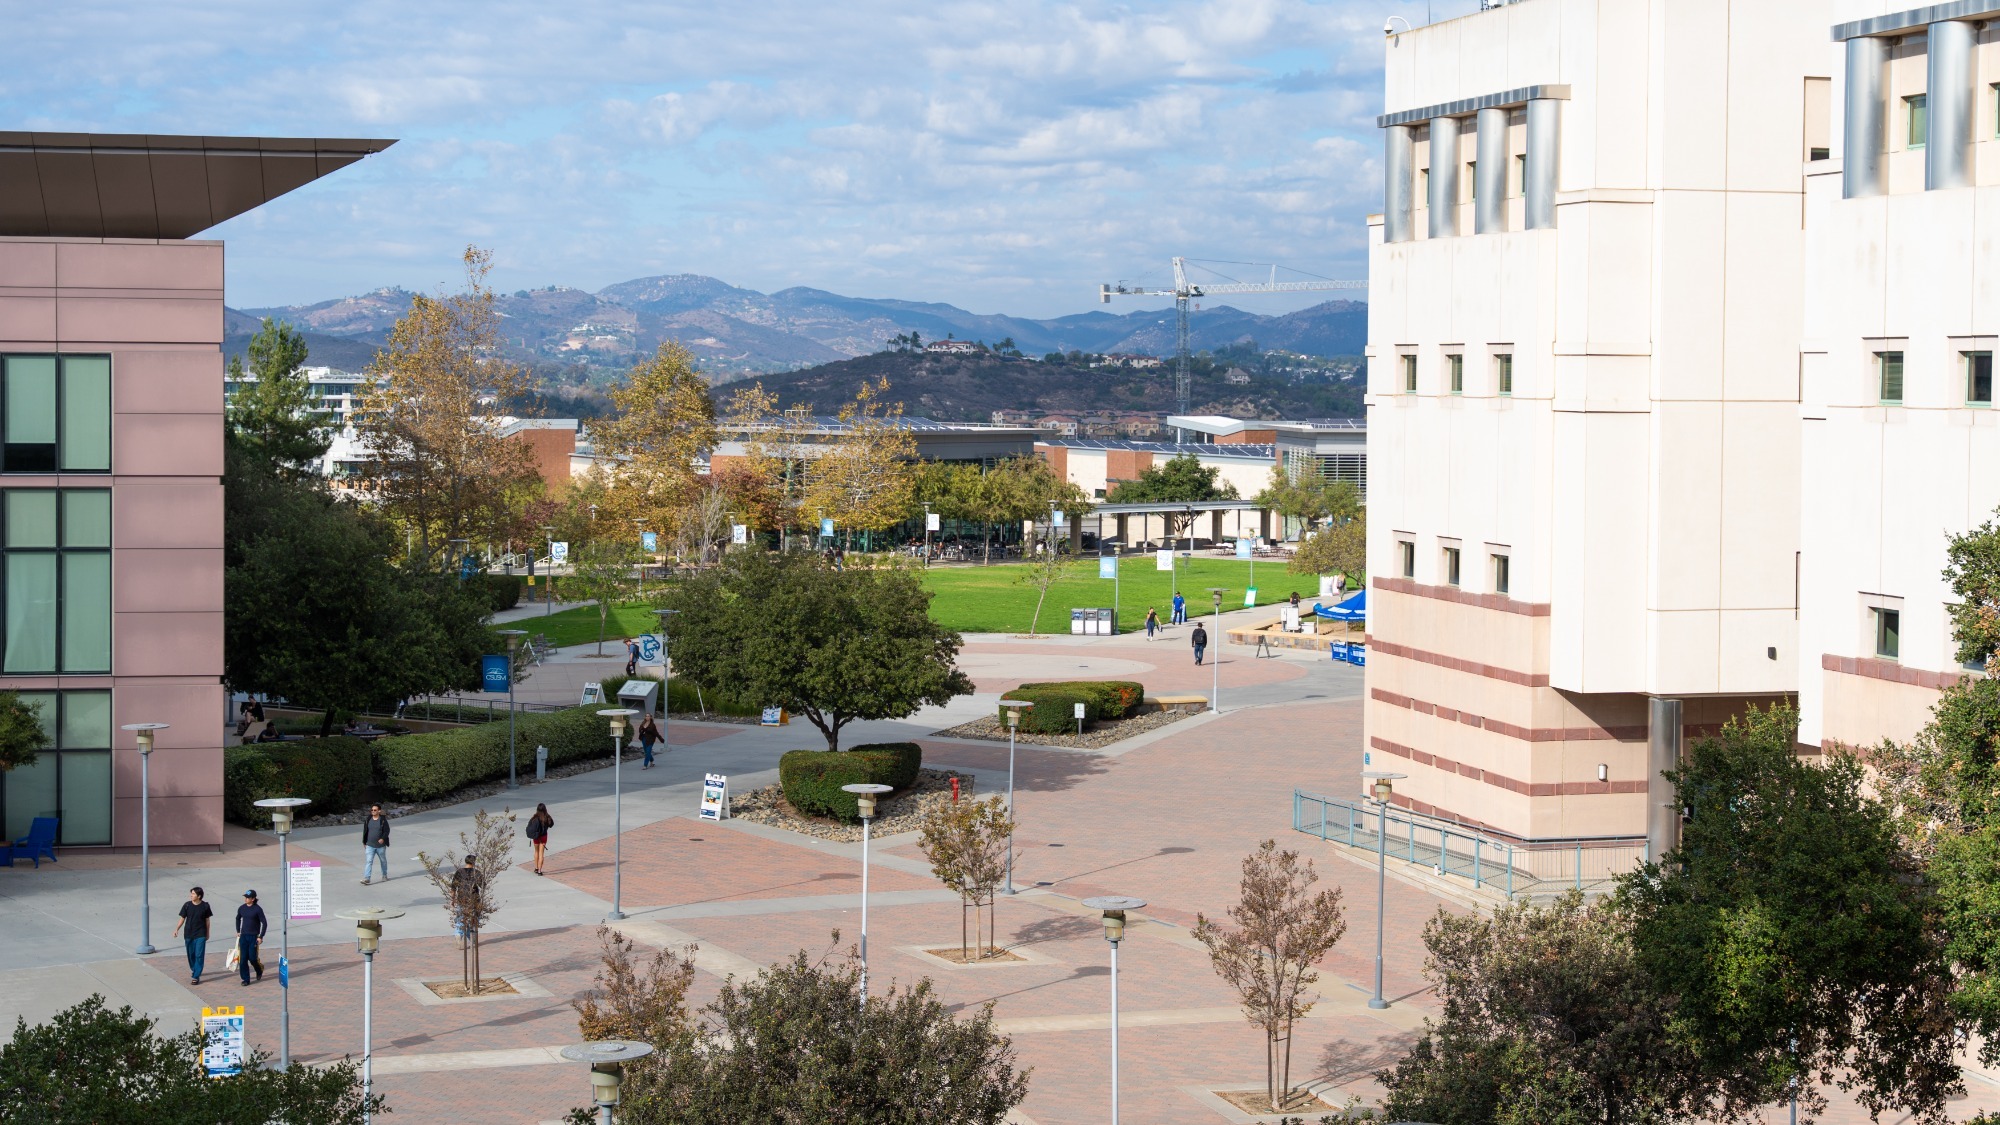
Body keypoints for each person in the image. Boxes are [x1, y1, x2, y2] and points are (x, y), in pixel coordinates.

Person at [173, 886, 213, 985]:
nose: (191, 895)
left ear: (199, 896)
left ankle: (196, 976)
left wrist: (207, 933)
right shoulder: (187, 905)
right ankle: (195, 969)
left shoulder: (205, 906)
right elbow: (182, 919)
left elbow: (207, 921)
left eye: (194, 894)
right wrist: (176, 929)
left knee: (199, 955)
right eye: (191, 893)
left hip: (200, 934)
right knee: (191, 954)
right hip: (188, 934)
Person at [235, 890, 266, 986]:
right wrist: (238, 931)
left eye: (248, 897)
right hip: (243, 936)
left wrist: (261, 936)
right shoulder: (242, 908)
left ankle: (259, 969)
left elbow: (264, 923)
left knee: (252, 958)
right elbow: (237, 918)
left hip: (253, 937)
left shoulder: (257, 909)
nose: (246, 899)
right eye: (245, 897)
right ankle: (246, 979)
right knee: (243, 959)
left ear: (253, 899)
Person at [451, 855, 483, 939]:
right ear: (474, 862)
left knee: (460, 917)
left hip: (462, 898)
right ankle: (471, 935)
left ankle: (458, 934)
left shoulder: (459, 872)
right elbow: (483, 885)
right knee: (474, 918)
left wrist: (453, 899)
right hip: (474, 898)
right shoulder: (477, 872)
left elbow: (453, 887)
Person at [361, 804, 391, 884]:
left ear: (379, 811)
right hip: (370, 845)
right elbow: (365, 831)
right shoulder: (368, 819)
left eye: (375, 810)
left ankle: (384, 875)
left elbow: (387, 831)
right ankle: (367, 878)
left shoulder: (383, 820)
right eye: (372, 810)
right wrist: (364, 842)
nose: (373, 811)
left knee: (383, 860)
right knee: (369, 861)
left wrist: (382, 838)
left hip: (380, 846)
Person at [527, 803, 554, 875]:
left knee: (536, 851)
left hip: (536, 837)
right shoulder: (547, 817)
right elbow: (551, 825)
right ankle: (539, 870)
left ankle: (536, 868)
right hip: (543, 837)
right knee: (541, 853)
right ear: (545, 809)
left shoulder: (534, 817)